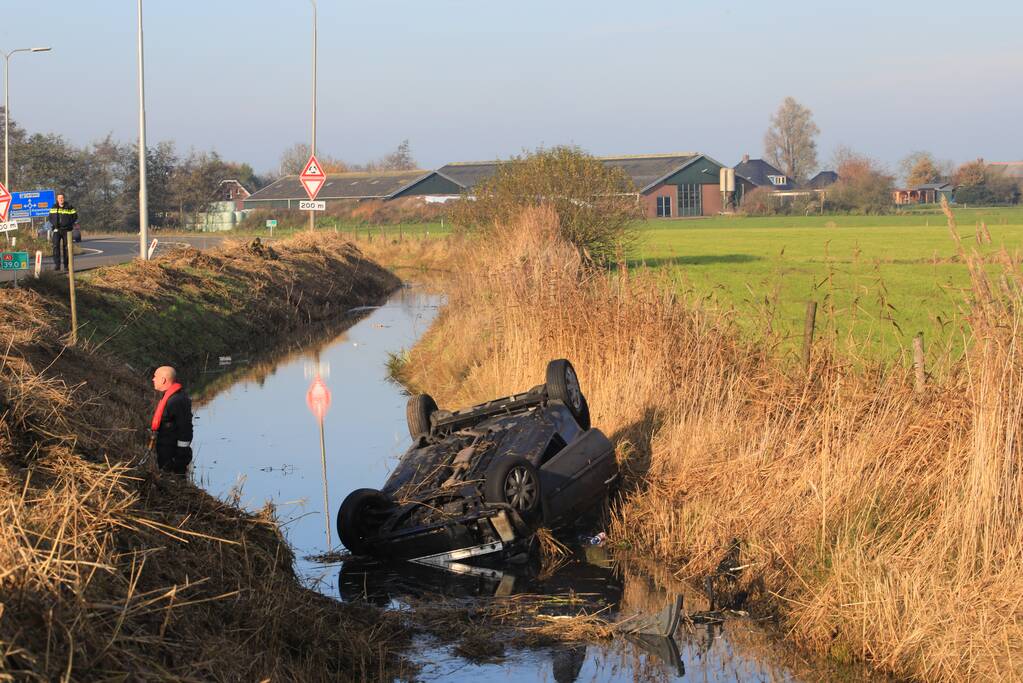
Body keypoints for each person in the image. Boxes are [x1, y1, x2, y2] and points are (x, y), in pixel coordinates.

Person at [150, 366, 193, 474]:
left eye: (155, 376)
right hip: (166, 452)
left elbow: (185, 430)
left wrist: (180, 457)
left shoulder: (177, 401)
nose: (153, 379)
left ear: (163, 380)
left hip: (174, 456)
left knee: (176, 482)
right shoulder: (170, 397)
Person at [48, 193, 78, 272]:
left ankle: (66, 266)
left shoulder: (69, 207)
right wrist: (54, 224)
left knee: (66, 248)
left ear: (64, 198)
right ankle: (57, 265)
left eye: (62, 198)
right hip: (57, 230)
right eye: (59, 198)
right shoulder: (54, 207)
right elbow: (50, 217)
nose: (61, 199)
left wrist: (69, 224)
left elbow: (75, 217)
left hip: (67, 231)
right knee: (55, 247)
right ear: (57, 199)